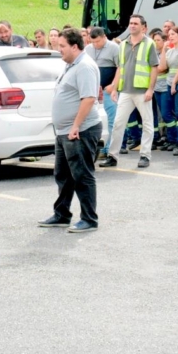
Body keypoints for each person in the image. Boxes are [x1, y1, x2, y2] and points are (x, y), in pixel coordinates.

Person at [38, 28, 102, 233]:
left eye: (63, 46)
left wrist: (75, 125)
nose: (59, 50)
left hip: (80, 130)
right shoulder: (71, 65)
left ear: (75, 46)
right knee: (64, 176)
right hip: (64, 131)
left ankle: (89, 219)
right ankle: (62, 214)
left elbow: (89, 98)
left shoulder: (84, 67)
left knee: (82, 175)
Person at [101, 15, 159, 169]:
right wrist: (114, 87)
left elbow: (154, 67)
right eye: (130, 23)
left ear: (143, 27)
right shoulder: (123, 44)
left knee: (147, 124)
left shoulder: (149, 44)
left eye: (135, 23)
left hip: (142, 91)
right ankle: (112, 155)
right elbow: (120, 67)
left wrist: (150, 89)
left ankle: (145, 155)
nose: (132, 26)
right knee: (119, 124)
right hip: (125, 91)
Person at [84, 27, 120, 156]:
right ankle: (96, 148)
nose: (95, 45)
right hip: (93, 92)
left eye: (98, 41)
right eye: (93, 42)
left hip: (108, 90)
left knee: (111, 120)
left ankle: (109, 149)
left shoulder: (114, 48)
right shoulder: (88, 49)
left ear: (104, 37)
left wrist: (113, 86)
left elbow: (120, 68)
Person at [158, 26, 178, 155]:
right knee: (168, 113)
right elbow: (163, 67)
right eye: (169, 34)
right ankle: (173, 140)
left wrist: (175, 82)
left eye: (173, 34)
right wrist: (164, 50)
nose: (171, 36)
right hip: (169, 84)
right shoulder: (170, 51)